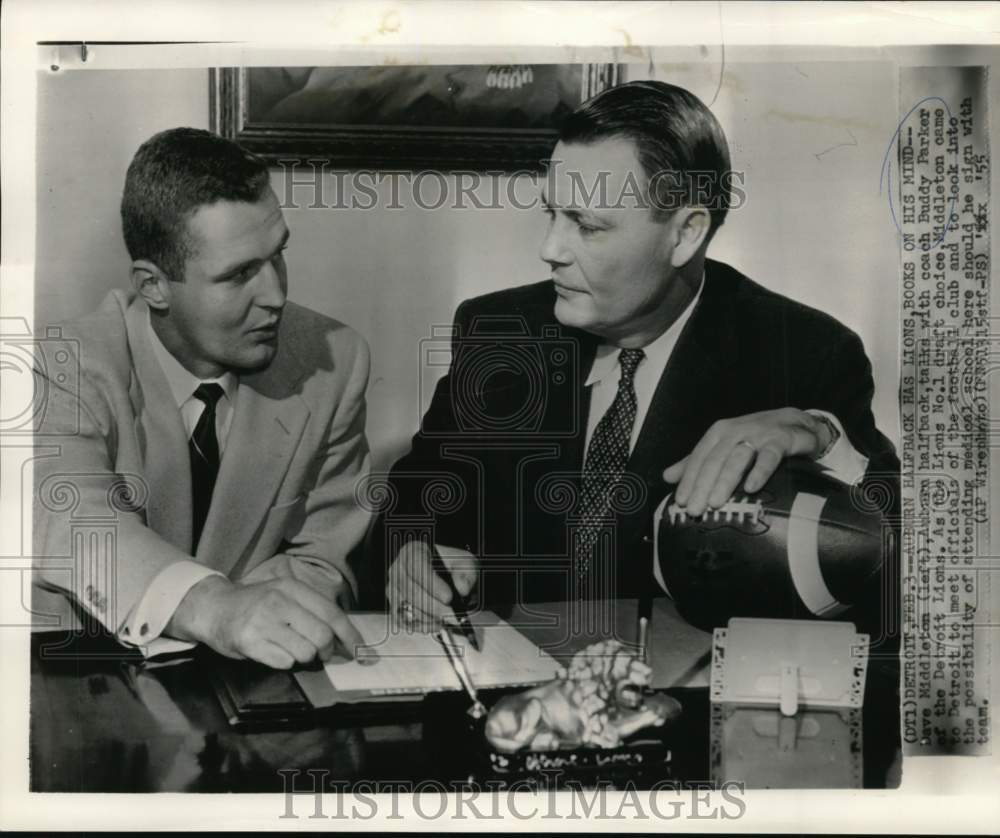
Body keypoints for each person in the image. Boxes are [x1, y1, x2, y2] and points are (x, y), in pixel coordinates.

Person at [374, 80, 900, 635]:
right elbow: (415, 497)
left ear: (685, 234)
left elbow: (911, 562)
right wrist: (413, 554)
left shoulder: (803, 352)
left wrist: (825, 440)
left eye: (586, 225)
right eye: (552, 215)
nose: (549, 249)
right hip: (514, 701)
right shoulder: (500, 333)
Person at [32, 127, 373, 669]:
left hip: (252, 688)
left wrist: (265, 611)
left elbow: (328, 558)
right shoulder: (55, 366)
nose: (277, 296)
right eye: (239, 275)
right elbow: (75, 525)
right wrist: (218, 607)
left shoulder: (333, 360)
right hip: (92, 688)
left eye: (277, 256)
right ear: (153, 286)